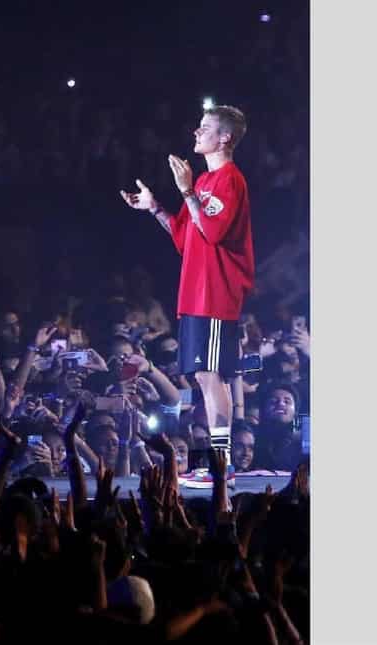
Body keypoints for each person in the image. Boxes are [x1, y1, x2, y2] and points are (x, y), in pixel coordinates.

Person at [119, 105, 254, 478]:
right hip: (194, 293)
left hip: (215, 293)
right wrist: (155, 207)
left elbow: (212, 232)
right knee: (202, 376)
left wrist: (186, 190)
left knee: (212, 376)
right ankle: (215, 462)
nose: (196, 131)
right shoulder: (206, 183)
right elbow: (185, 236)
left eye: (205, 127)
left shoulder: (229, 180)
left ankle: (221, 463)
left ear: (224, 137)